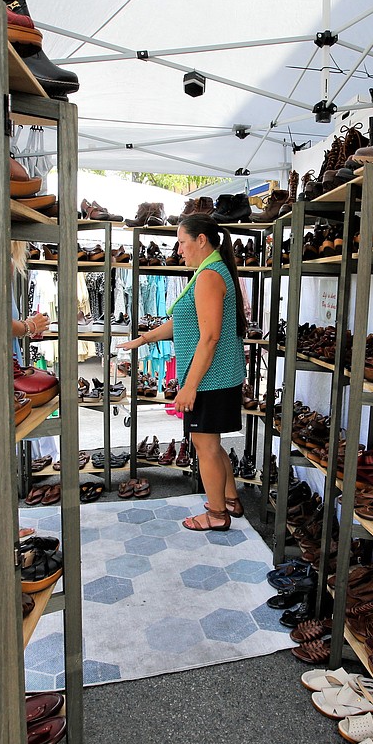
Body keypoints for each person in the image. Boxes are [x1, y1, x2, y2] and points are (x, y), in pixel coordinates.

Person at [120, 215, 246, 531]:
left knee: (205, 447)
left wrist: (189, 386)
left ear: (201, 239)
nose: (179, 249)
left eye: (182, 241)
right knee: (211, 445)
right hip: (217, 376)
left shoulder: (208, 277)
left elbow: (210, 336)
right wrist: (145, 338)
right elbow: (186, 322)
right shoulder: (210, 272)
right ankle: (229, 499)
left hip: (210, 378)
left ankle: (217, 515)